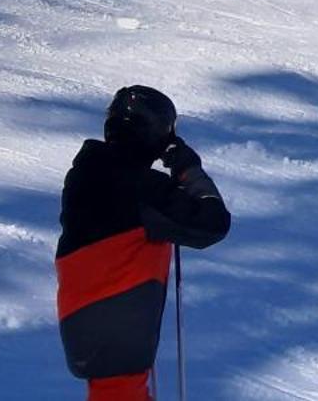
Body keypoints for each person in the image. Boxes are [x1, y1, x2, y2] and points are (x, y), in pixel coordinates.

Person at [57, 86, 231, 400]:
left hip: (90, 321)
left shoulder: (87, 175)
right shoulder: (140, 188)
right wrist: (188, 170)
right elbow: (212, 223)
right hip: (114, 328)